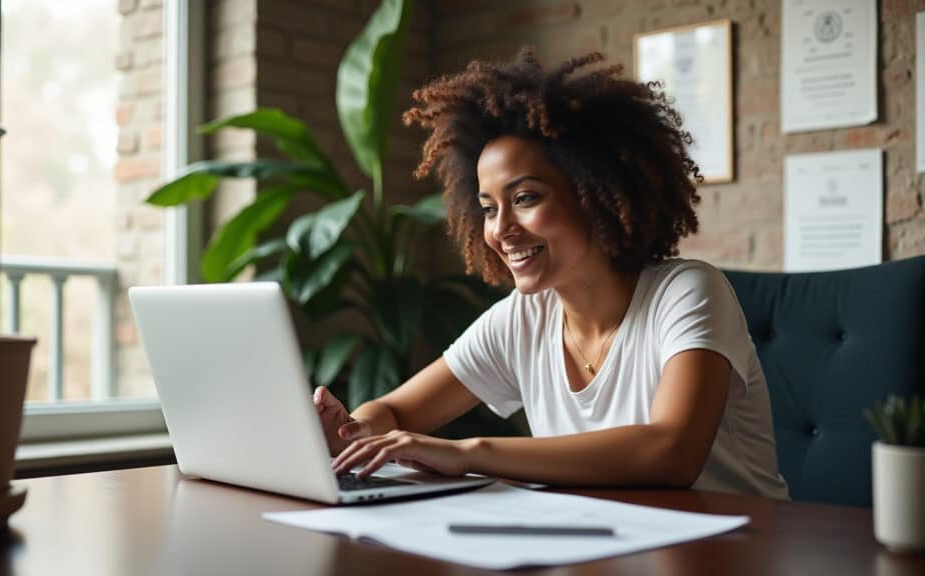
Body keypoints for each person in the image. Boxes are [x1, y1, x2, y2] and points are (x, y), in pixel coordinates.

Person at [314, 48, 789, 499]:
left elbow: (672, 453)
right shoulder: (524, 318)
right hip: (610, 546)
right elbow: (395, 410)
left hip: (734, 546)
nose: (500, 231)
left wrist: (469, 453)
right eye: (487, 208)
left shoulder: (686, 293)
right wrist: (354, 432)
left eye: (525, 199)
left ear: (595, 192)